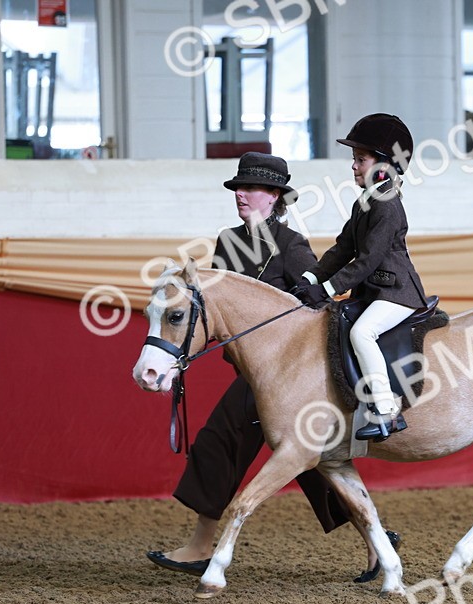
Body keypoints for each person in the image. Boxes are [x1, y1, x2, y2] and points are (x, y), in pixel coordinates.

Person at [147, 152, 398, 582]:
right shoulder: (228, 241)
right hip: (249, 371)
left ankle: (202, 547)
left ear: (275, 197)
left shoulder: (292, 246)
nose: (241, 195)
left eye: (252, 188)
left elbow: (316, 308)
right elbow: (212, 307)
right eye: (238, 188)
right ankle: (378, 542)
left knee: (233, 443)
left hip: (287, 374)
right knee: (307, 458)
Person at [292, 113, 429, 442]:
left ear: (384, 165)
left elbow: (367, 260)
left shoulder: (387, 205)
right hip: (375, 291)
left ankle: (385, 413)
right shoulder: (365, 202)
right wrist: (311, 278)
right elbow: (343, 248)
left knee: (363, 333)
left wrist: (327, 289)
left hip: (397, 292)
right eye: (355, 159)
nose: (353, 166)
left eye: (361, 159)